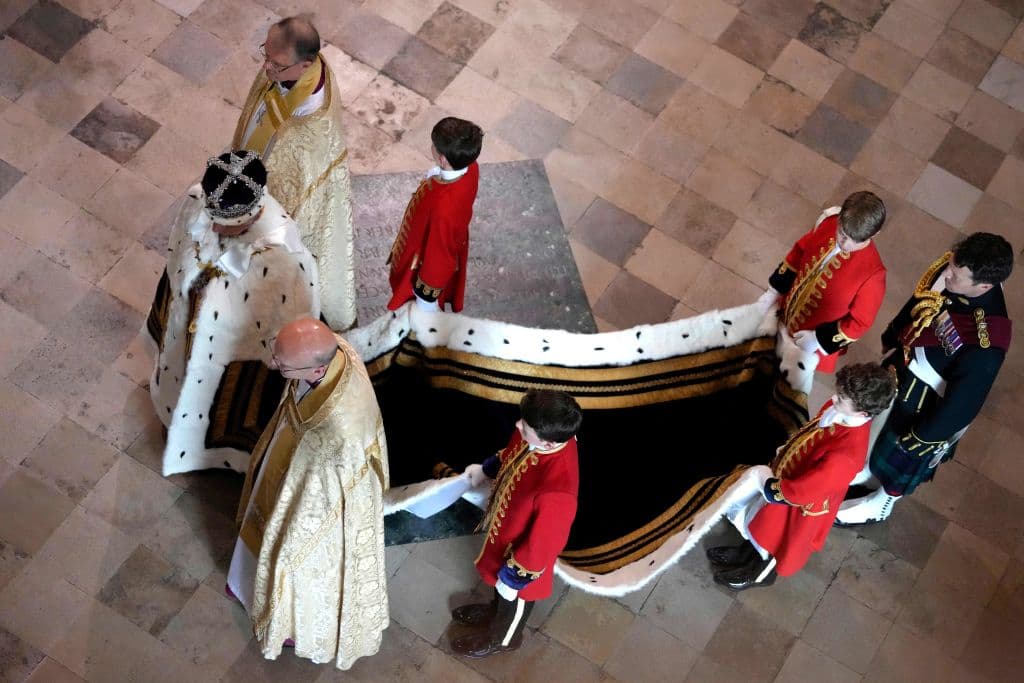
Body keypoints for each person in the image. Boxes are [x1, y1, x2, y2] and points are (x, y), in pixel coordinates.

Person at [227, 318, 389, 669]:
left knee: (294, 554)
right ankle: (244, 580)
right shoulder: (331, 350)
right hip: (290, 450)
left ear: (316, 370)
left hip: (317, 498)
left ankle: (286, 621)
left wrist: (292, 524)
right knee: (262, 515)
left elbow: (324, 496)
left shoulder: (343, 425)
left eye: (283, 365)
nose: (274, 366)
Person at [145, 151, 319, 476]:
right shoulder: (201, 200)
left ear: (252, 214)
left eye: (225, 225)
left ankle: (216, 457)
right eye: (212, 218)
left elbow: (292, 319)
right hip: (189, 324)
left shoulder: (284, 254)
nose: (213, 227)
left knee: (224, 401)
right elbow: (179, 255)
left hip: (236, 351)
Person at [835, 233, 1013, 525]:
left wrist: (923, 438)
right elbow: (921, 299)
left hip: (924, 401)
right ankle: (867, 470)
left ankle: (881, 504)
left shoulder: (986, 344)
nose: (947, 274)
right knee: (876, 428)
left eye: (956, 275)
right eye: (951, 267)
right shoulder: (954, 266)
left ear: (984, 286)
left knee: (900, 458)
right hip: (903, 366)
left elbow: (962, 405)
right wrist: (894, 335)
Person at [708, 363, 896, 590]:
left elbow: (804, 492)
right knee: (760, 524)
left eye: (841, 399)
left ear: (863, 413)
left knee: (775, 540)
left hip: (797, 503)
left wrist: (770, 487)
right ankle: (745, 553)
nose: (834, 399)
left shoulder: (846, 455)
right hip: (789, 476)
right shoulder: (840, 409)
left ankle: (757, 574)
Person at [232, 16, 357, 330]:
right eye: (265, 55)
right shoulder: (284, 71)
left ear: (305, 65)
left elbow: (291, 200)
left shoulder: (310, 130)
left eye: (276, 64)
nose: (266, 68)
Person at [449, 390, 582, 658]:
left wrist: (514, 579)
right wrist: (487, 468)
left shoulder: (558, 491)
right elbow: (512, 454)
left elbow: (544, 544)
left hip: (523, 562)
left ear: (547, 444)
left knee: (516, 600)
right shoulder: (536, 433)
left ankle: (503, 639)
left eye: (526, 427)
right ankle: (496, 611)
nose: (518, 425)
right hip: (508, 536)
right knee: (501, 593)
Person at [762, 191, 887, 393]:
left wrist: (819, 339)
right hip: (785, 311)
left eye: (854, 240)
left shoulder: (874, 275)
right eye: (842, 233)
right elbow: (799, 251)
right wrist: (774, 290)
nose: (844, 243)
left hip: (810, 341)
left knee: (786, 384)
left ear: (874, 235)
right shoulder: (828, 222)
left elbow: (860, 323)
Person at [386, 116, 483, 312]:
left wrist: (425, 298)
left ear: (443, 159)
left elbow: (440, 255)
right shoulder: (471, 166)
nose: (432, 147)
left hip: (424, 254)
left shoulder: (443, 209)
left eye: (434, 146)